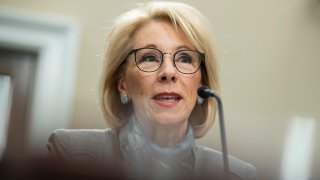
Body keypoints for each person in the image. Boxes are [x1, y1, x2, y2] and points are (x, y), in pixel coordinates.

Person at [47, 1, 257, 179]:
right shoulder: (70, 152)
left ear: (202, 84)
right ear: (122, 84)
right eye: (149, 57)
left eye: (184, 58)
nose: (168, 72)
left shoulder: (236, 175)